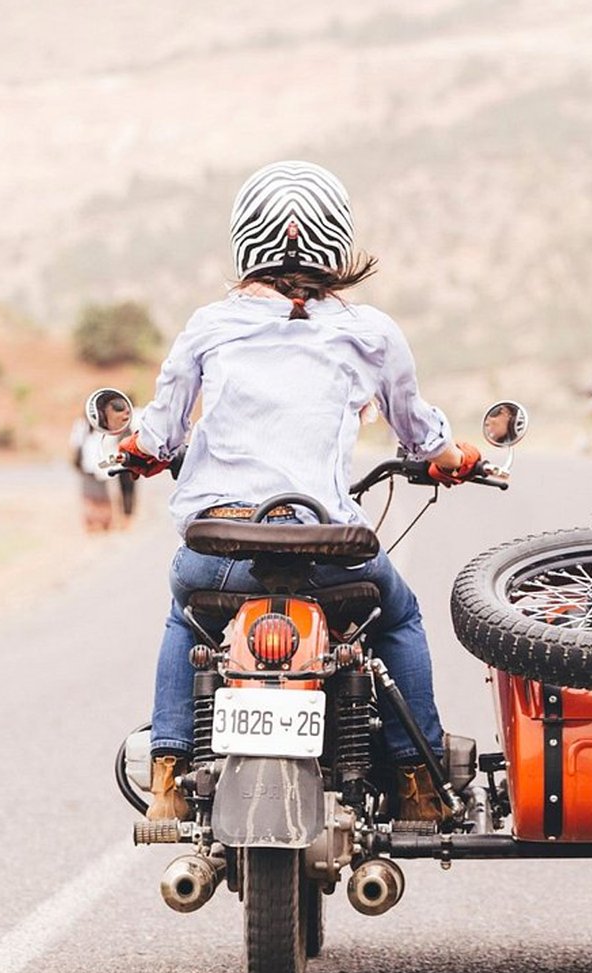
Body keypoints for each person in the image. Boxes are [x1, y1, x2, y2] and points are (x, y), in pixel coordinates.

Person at [115, 160, 486, 821]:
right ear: (336, 238)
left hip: (220, 552)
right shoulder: (370, 331)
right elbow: (420, 434)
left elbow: (160, 433)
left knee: (186, 613)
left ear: (245, 238)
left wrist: (138, 451)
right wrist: (454, 459)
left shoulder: (209, 325)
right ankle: (417, 783)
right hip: (327, 554)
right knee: (398, 615)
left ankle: (168, 779)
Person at [69, 399, 135, 533]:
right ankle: (93, 523)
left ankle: (105, 523)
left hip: (100, 467)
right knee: (90, 496)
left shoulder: (104, 427)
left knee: (102, 496)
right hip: (88, 466)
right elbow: (75, 444)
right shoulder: (82, 426)